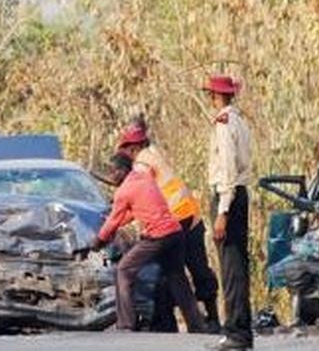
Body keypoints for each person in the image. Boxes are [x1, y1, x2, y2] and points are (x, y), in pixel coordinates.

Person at [116, 119, 221, 332]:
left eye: (125, 149)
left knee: (169, 270)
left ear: (133, 148)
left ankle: (166, 322)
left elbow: (143, 197)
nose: (124, 154)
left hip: (174, 218)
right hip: (190, 215)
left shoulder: (141, 165)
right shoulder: (155, 154)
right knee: (192, 269)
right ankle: (209, 319)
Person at [90, 153, 205, 333]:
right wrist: (114, 226)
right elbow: (134, 212)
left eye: (113, 172)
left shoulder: (124, 191)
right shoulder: (144, 178)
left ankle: (126, 324)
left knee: (124, 270)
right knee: (177, 277)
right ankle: (197, 325)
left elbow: (113, 220)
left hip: (157, 236)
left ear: (122, 171)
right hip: (175, 232)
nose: (111, 177)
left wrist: (98, 241)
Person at [204, 75, 253, 351]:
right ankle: (240, 330)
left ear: (216, 96)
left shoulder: (224, 124)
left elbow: (227, 170)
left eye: (211, 94)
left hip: (228, 197)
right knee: (237, 267)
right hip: (238, 196)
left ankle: (236, 332)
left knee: (231, 268)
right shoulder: (239, 121)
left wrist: (222, 211)